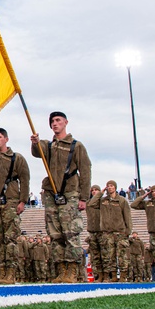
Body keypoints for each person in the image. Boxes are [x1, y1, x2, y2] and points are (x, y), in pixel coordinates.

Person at [30, 111, 92, 284]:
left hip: (70, 192)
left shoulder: (75, 145)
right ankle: (61, 269)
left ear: (66, 122)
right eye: (52, 121)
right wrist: (35, 142)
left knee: (70, 231)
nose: (55, 123)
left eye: (58, 120)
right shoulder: (49, 146)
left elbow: (85, 170)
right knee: (55, 233)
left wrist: (84, 198)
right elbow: (37, 152)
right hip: (51, 193)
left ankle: (72, 269)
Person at [0, 127, 30, 284]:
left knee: (10, 239)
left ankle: (10, 272)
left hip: (11, 202)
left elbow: (25, 180)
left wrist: (23, 200)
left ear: (6, 139)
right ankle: (1, 271)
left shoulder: (17, 158)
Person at [89, 180, 132, 282]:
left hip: (120, 232)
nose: (109, 187)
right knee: (109, 256)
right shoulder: (103, 201)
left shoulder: (122, 201)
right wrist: (101, 192)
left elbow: (128, 217)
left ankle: (122, 275)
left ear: (115, 187)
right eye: (108, 186)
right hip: (107, 233)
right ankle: (113, 275)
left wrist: (128, 231)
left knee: (122, 255)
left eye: (111, 186)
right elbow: (91, 203)